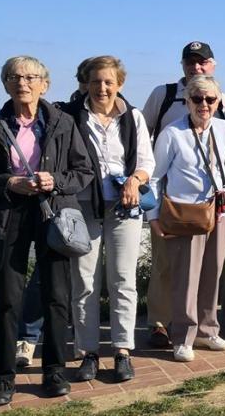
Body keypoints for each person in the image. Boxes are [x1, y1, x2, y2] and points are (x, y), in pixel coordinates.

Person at [0, 56, 94, 405]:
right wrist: (10, 183)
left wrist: (56, 181)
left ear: (44, 85)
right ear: (5, 84)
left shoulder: (63, 122)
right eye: (15, 77)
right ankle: (4, 377)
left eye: (31, 77)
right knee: (7, 297)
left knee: (56, 295)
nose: (23, 82)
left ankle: (54, 370)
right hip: (8, 214)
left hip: (53, 214)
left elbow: (83, 171)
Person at [63, 56, 153, 383]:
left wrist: (134, 180)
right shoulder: (71, 116)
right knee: (84, 281)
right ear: (85, 83)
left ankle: (122, 351)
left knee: (122, 279)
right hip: (83, 206)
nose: (102, 88)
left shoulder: (133, 118)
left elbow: (145, 161)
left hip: (124, 207)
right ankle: (87, 352)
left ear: (119, 84)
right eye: (96, 81)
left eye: (108, 82)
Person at [141, 41, 225, 348]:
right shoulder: (171, 130)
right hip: (183, 211)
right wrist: (152, 215)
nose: (203, 104)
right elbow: (153, 176)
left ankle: (208, 330)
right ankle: (181, 335)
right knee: (183, 276)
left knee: (211, 274)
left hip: (219, 210)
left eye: (209, 99)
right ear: (187, 99)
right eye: (197, 98)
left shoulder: (223, 128)